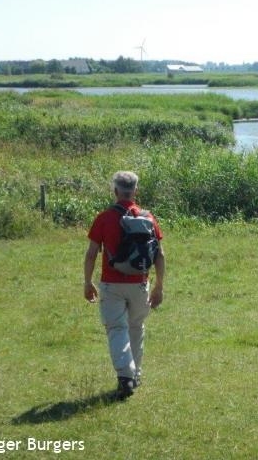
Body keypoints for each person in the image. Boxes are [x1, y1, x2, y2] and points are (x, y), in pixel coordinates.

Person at [83, 171, 165, 399]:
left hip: (112, 284)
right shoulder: (148, 218)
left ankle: (125, 376)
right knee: (136, 327)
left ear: (115, 190)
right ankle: (135, 374)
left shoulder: (103, 218)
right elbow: (160, 255)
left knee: (117, 329)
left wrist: (88, 282)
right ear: (135, 191)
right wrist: (159, 285)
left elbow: (91, 254)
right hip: (140, 283)